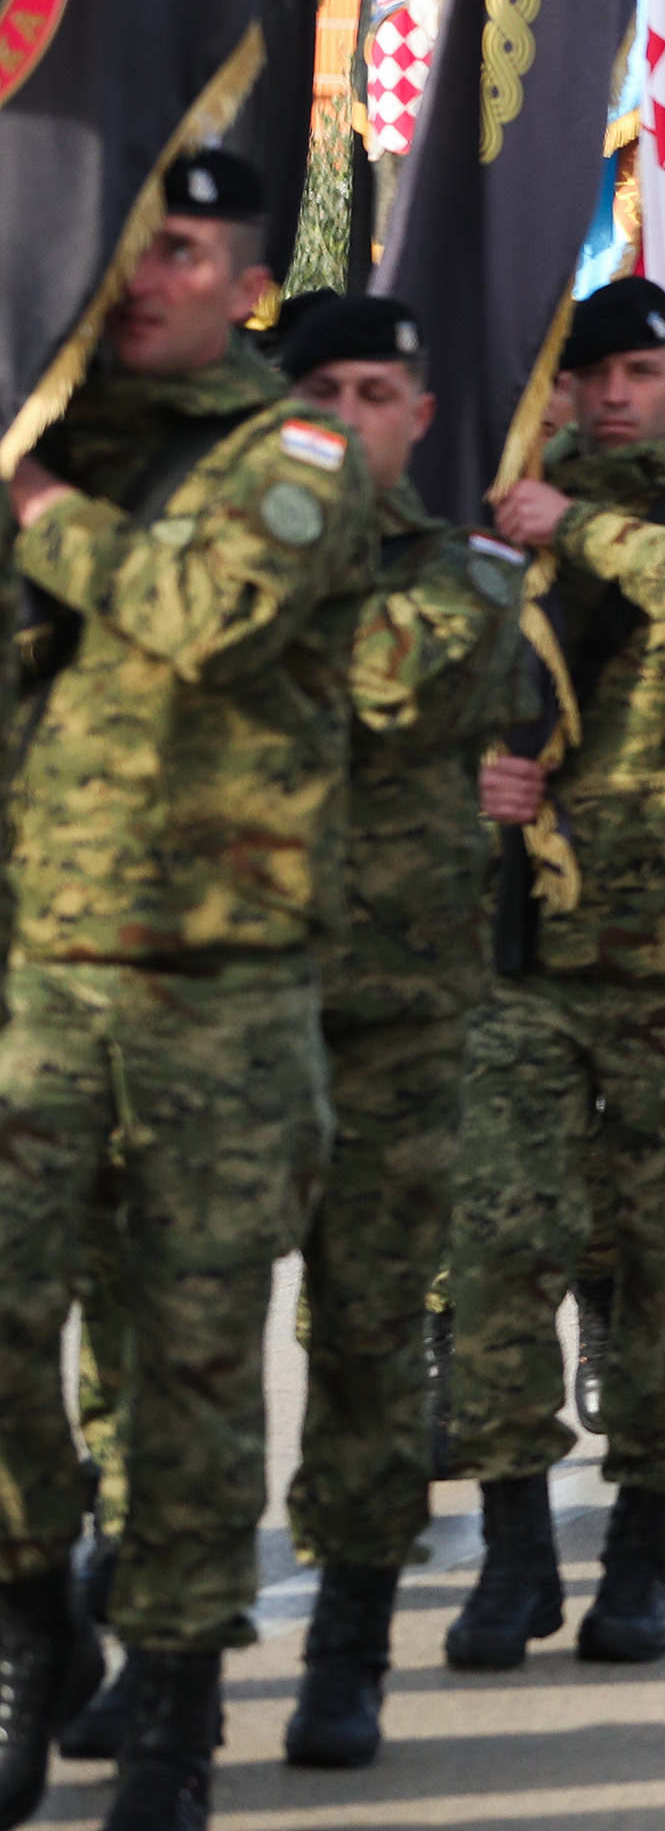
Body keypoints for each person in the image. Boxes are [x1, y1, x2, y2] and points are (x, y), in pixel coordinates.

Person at [0, 157, 380, 1812]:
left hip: (221, 991)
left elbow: (210, 614)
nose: (143, 277)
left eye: (180, 250)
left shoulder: (293, 454)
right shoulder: (52, 430)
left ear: (241, 283)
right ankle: (33, 1596)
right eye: (128, 247)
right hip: (40, 977)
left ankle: (173, 1693)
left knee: (192, 1355)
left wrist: (32, 498)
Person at [453, 275, 665, 1674]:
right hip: (527, 951)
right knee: (502, 1251)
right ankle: (514, 1543)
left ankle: (645, 1544)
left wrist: (580, 525)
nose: (611, 396)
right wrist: (471, 776)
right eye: (587, 373)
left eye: (638, 371)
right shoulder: (494, 519)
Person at [261, 292, 529, 1767]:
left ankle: (348, 1637)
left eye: (378, 393)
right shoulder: (199, 556)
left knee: (367, 1336)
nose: (350, 419)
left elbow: (379, 678)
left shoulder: (465, 576)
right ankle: (158, 1625)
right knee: (169, 1336)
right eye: (321, 394)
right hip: (224, 1001)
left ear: (420, 417)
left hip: (394, 1017)